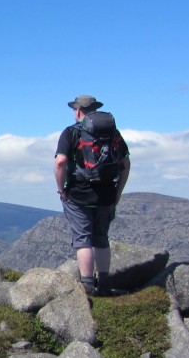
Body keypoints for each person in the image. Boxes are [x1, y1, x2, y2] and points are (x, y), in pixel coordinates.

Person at [54, 95, 131, 296]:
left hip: (78, 194)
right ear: (95, 109)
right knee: (101, 238)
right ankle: (104, 285)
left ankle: (87, 286)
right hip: (106, 194)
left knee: (83, 240)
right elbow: (125, 164)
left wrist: (61, 188)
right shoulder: (114, 134)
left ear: (78, 110)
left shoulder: (71, 132)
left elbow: (60, 162)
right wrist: (118, 192)